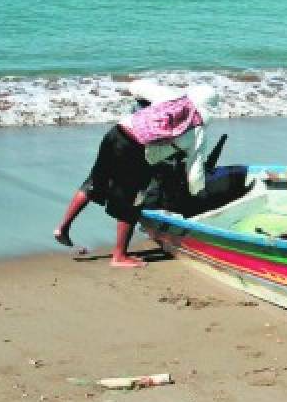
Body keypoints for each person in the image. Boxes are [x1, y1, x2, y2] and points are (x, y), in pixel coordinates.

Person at [53, 80, 217, 267]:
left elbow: (136, 86)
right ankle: (119, 256)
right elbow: (194, 173)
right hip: (135, 151)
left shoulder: (170, 96)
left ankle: (62, 228)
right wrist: (197, 193)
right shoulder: (198, 130)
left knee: (95, 181)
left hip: (117, 133)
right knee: (131, 202)